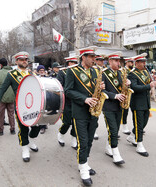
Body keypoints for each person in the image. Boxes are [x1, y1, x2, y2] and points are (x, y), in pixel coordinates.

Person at [65, 46, 104, 186]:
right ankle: (82, 168)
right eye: (92, 57)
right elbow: (68, 91)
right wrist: (84, 99)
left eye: (95, 57)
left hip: (93, 111)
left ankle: (85, 163)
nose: (95, 59)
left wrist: (100, 88)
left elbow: (95, 87)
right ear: (84, 57)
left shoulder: (96, 71)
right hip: (80, 111)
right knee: (82, 140)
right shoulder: (72, 71)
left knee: (89, 141)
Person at [0, 52, 40, 162]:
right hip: (20, 106)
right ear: (17, 61)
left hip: (34, 105)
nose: (25, 61)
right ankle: (25, 149)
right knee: (23, 129)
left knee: (37, 126)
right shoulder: (12, 74)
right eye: (22, 59)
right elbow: (2, 89)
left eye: (26, 59)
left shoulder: (32, 74)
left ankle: (31, 141)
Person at [102, 51, 130, 164]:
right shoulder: (103, 73)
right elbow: (101, 90)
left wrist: (128, 84)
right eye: (116, 60)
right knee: (113, 130)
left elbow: (123, 88)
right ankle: (115, 152)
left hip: (119, 106)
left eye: (119, 60)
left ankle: (108, 147)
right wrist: (114, 96)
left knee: (115, 128)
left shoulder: (121, 73)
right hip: (108, 106)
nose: (118, 63)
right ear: (110, 61)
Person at [126, 53, 153, 157]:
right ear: (136, 63)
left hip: (146, 101)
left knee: (144, 122)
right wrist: (148, 86)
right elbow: (135, 87)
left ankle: (132, 135)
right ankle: (139, 144)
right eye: (142, 62)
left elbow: (147, 83)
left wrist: (152, 84)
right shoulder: (132, 74)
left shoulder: (146, 72)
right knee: (139, 123)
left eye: (144, 62)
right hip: (137, 102)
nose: (144, 64)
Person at [57, 55, 78, 149]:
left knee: (76, 122)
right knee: (67, 122)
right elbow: (59, 86)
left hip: (76, 100)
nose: (75, 64)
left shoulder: (78, 71)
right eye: (73, 62)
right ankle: (61, 134)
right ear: (69, 63)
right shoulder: (62, 72)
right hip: (67, 101)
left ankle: (74, 139)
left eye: (76, 62)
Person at [0, 58, 16, 135]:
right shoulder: (14, 73)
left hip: (2, 97)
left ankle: (0, 130)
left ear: (1, 64)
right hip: (12, 97)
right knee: (11, 114)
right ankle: (12, 129)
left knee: (0, 114)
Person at [120, 57, 134, 135]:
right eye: (131, 62)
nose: (132, 64)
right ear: (127, 62)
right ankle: (124, 126)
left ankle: (136, 128)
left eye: (132, 62)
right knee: (125, 111)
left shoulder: (132, 70)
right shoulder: (123, 70)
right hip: (125, 92)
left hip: (132, 92)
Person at [36, 65, 48, 134]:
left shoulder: (48, 78)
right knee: (41, 112)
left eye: (43, 70)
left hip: (46, 97)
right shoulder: (37, 79)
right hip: (39, 97)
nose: (42, 72)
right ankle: (42, 127)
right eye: (40, 70)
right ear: (38, 72)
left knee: (45, 111)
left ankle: (44, 124)